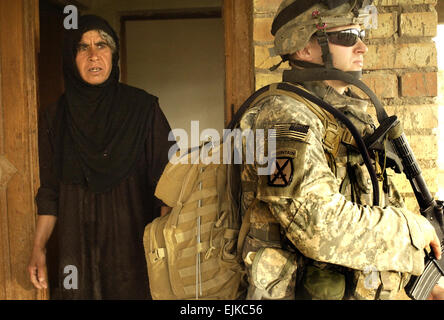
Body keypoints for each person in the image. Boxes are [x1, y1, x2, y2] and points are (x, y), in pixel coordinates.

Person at [238, 0, 444, 300]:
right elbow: (316, 225)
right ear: (303, 48)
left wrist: (427, 284)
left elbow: (374, 207)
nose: (362, 47)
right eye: (347, 36)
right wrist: (411, 230)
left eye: (361, 34)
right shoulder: (283, 118)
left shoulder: (345, 116)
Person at [28, 15, 174, 299]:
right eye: (82, 47)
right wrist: (38, 248)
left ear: (113, 54)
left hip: (131, 248)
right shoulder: (54, 117)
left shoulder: (143, 109)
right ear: (72, 58)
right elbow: (49, 192)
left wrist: (165, 250)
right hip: (76, 249)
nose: (93, 54)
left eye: (102, 45)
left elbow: (169, 186)